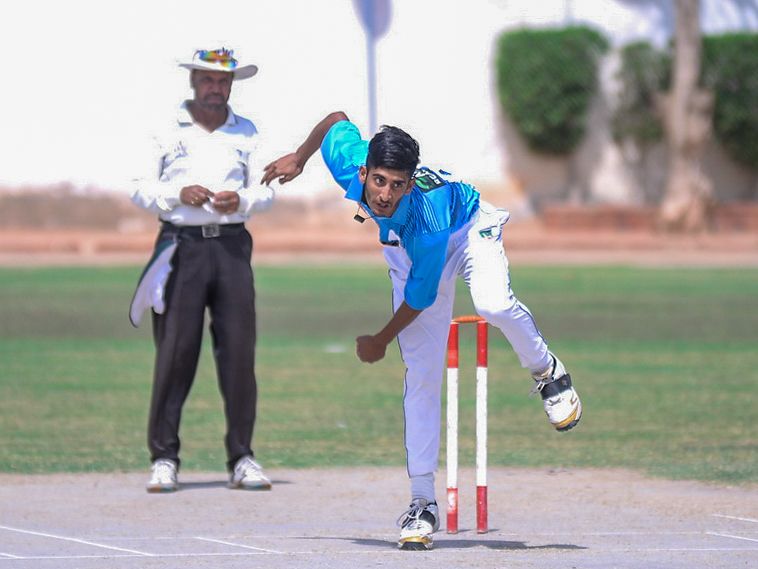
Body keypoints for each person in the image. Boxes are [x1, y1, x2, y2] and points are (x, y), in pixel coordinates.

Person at [261, 112, 582, 550]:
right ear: (363, 172)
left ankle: (547, 371)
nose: (385, 195)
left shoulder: (426, 221)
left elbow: (421, 298)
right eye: (379, 181)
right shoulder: (350, 164)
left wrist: (380, 340)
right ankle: (422, 503)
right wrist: (300, 157)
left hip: (467, 229)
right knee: (422, 374)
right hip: (406, 251)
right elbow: (336, 120)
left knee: (492, 304)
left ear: (410, 184)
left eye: (397, 185)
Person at [131, 48, 274, 493]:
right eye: (208, 79)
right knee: (175, 352)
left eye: (223, 80)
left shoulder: (247, 131)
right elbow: (139, 188)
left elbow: (265, 191)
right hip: (181, 246)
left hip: (231, 246)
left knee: (239, 353)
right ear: (193, 81)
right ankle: (164, 457)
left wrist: (242, 200)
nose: (216, 87)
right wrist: (177, 194)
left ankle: (242, 457)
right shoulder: (165, 129)